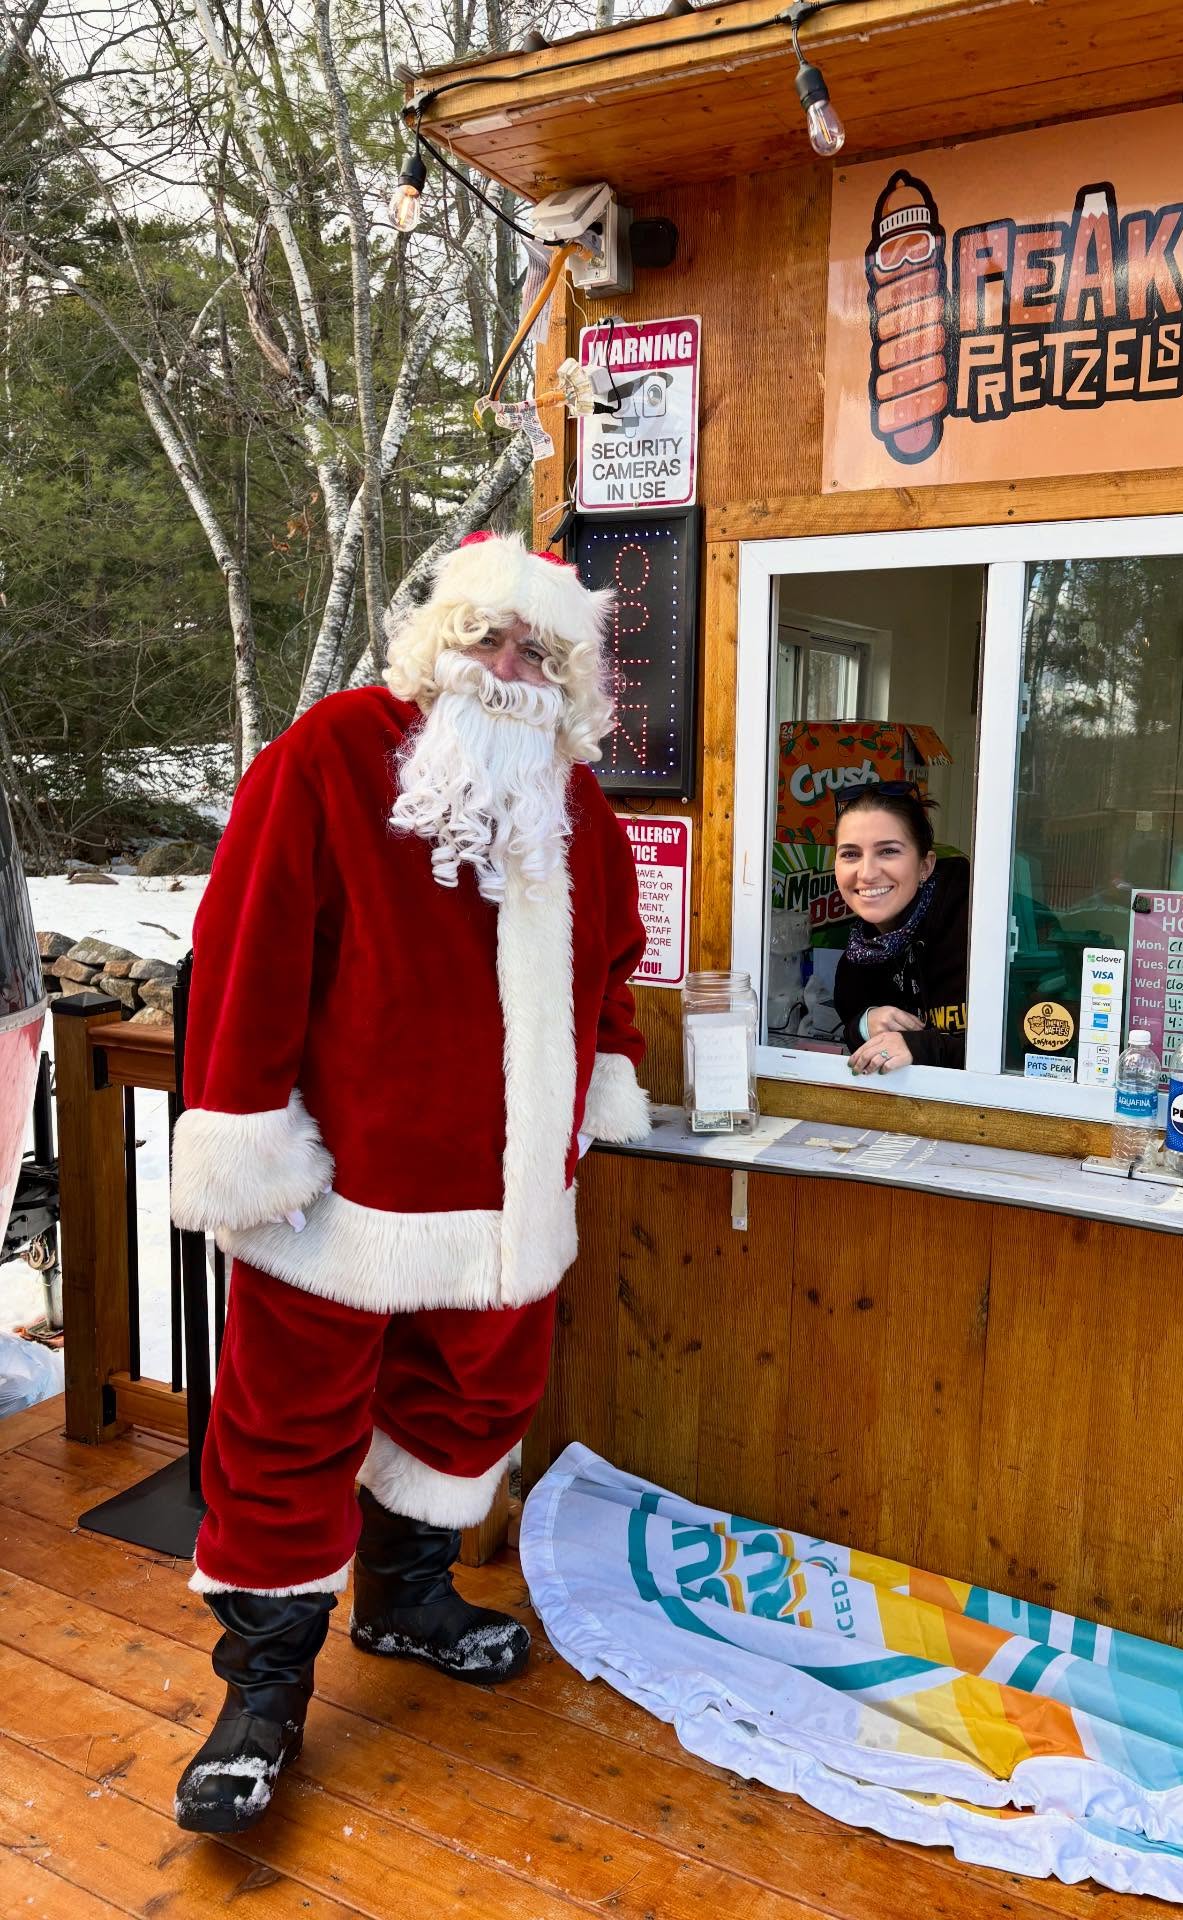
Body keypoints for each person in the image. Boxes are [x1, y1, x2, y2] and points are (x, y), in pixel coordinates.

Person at [167, 531, 650, 1834]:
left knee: (476, 1396)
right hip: (338, 1201)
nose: (509, 666)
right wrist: (247, 1136)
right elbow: (245, 951)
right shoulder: (330, 756)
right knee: (286, 1432)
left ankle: (405, 1597)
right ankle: (260, 1696)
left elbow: (613, 969)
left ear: (569, 679)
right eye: (491, 637)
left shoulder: (577, 805)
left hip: (508, 1212)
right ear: (441, 642)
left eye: (537, 650)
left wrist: (598, 1086)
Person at [830, 783, 969, 1074]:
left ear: (925, 866)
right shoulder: (857, 958)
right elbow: (851, 1028)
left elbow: (1019, 1049)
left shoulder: (974, 930)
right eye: (850, 854)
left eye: (888, 851)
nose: (866, 873)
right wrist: (866, 1024)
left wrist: (920, 1046)